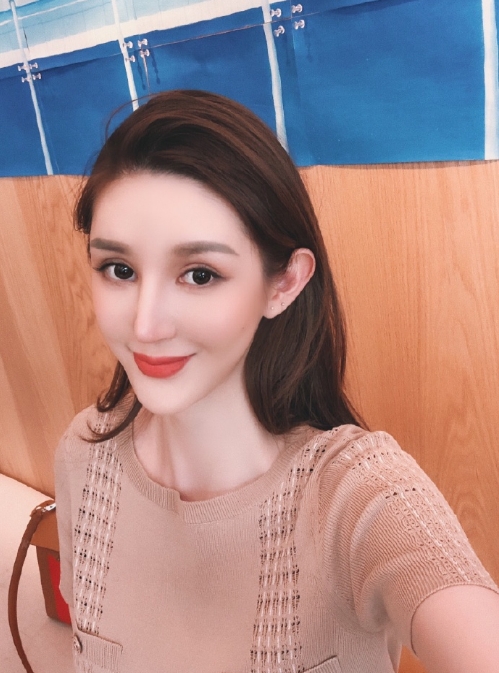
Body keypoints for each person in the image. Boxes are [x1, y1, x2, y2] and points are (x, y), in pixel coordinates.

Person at [55, 90, 499, 673]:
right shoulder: (85, 452)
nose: (145, 325)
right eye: (119, 270)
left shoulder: (360, 495)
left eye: (199, 275)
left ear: (283, 283)